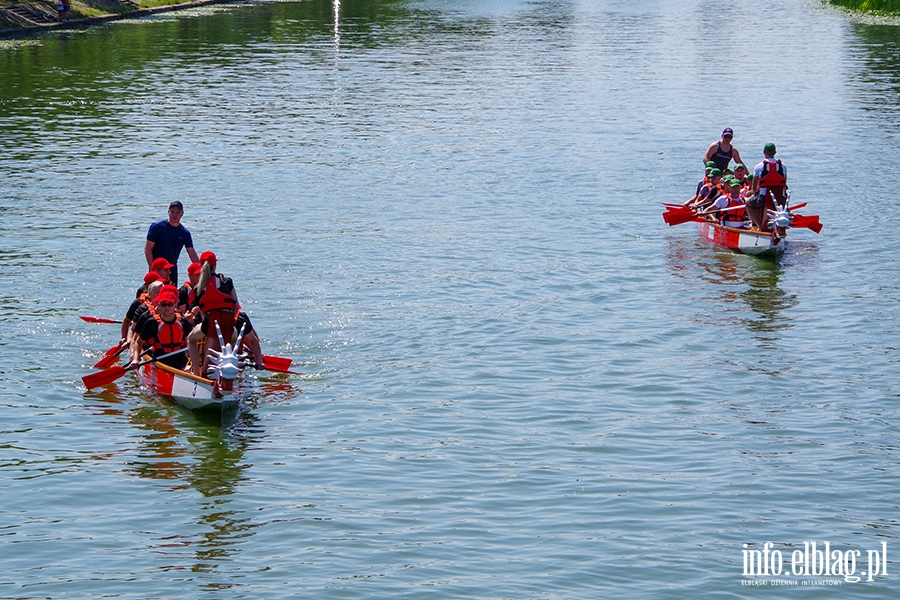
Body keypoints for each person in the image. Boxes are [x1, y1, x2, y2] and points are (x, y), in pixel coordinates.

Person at [130, 291, 191, 371]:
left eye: (170, 304)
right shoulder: (151, 323)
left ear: (175, 305)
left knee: (187, 370)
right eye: (163, 304)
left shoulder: (183, 322)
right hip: (159, 361)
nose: (167, 307)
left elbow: (189, 343)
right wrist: (135, 358)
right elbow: (138, 343)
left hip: (180, 361)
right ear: (159, 306)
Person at [145, 201, 200, 285]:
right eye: (172, 212)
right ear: (168, 212)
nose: (175, 215)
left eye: (178, 212)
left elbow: (192, 253)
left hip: (172, 270)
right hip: (157, 269)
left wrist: (202, 271)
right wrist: (153, 269)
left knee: (171, 295)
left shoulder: (184, 233)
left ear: (182, 213)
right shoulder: (157, 227)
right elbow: (148, 249)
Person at [748, 142, 788, 234]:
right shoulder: (783, 166)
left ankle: (760, 226)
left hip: (763, 197)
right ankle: (780, 228)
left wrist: (754, 193)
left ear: (764, 152)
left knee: (748, 204)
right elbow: (784, 183)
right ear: (775, 152)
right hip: (780, 200)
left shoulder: (759, 166)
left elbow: (754, 185)